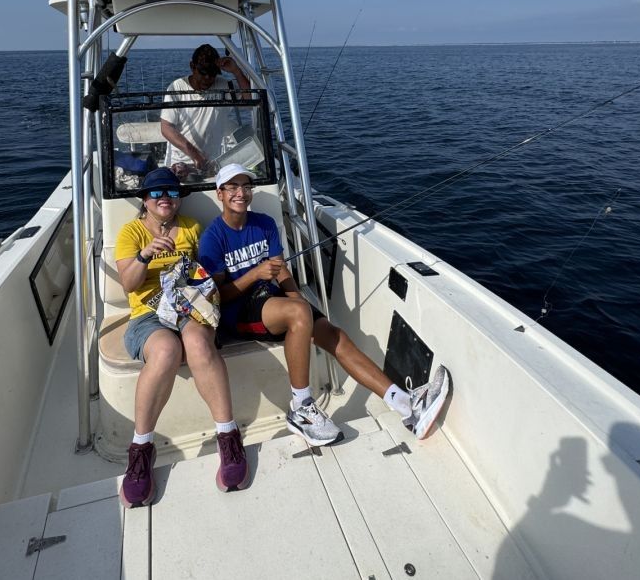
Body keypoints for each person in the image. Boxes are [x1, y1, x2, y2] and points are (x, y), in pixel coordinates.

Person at [198, 164, 448, 445]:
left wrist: (296, 297)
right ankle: (301, 408)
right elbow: (218, 294)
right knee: (298, 312)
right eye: (232, 187)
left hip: (272, 301)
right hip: (238, 311)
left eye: (245, 186)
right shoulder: (212, 238)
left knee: (333, 334)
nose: (240, 193)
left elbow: (281, 271)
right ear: (220, 194)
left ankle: (404, 404)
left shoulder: (265, 224)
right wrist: (255, 274)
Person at [114, 167, 249, 506]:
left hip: (189, 307)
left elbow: (205, 274)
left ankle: (228, 437)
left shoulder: (191, 228)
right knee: (165, 351)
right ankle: (141, 449)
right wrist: (146, 255)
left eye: (172, 193)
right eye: (157, 193)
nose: (165, 199)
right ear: (144, 200)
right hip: (147, 314)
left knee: (199, 344)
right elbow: (128, 284)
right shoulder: (131, 232)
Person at [160, 44, 250, 174]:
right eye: (203, 72)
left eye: (212, 74)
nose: (207, 78)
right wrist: (195, 154)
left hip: (212, 164)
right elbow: (166, 128)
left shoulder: (225, 86)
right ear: (192, 66)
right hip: (179, 165)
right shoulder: (176, 88)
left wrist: (236, 71)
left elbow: (249, 101)